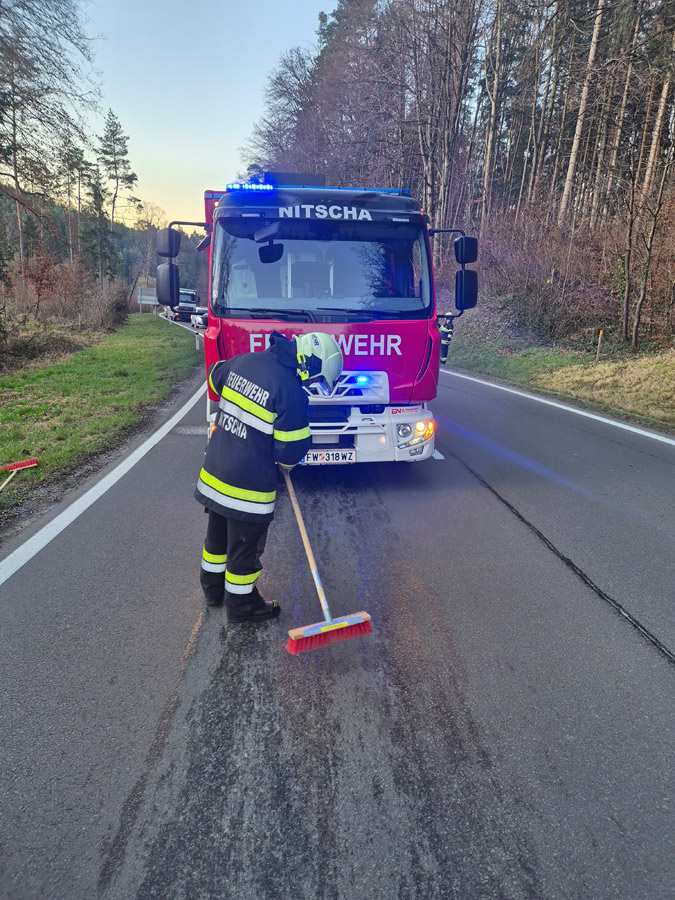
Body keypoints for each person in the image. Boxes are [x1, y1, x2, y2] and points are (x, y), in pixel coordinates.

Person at [195, 330, 343, 623]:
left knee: (217, 540)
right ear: (309, 365)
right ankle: (242, 605)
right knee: (244, 547)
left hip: (215, 474)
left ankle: (212, 591)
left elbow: (213, 379)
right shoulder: (291, 391)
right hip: (247, 487)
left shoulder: (244, 361)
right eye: (315, 379)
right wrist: (284, 461)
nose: (311, 385)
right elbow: (291, 450)